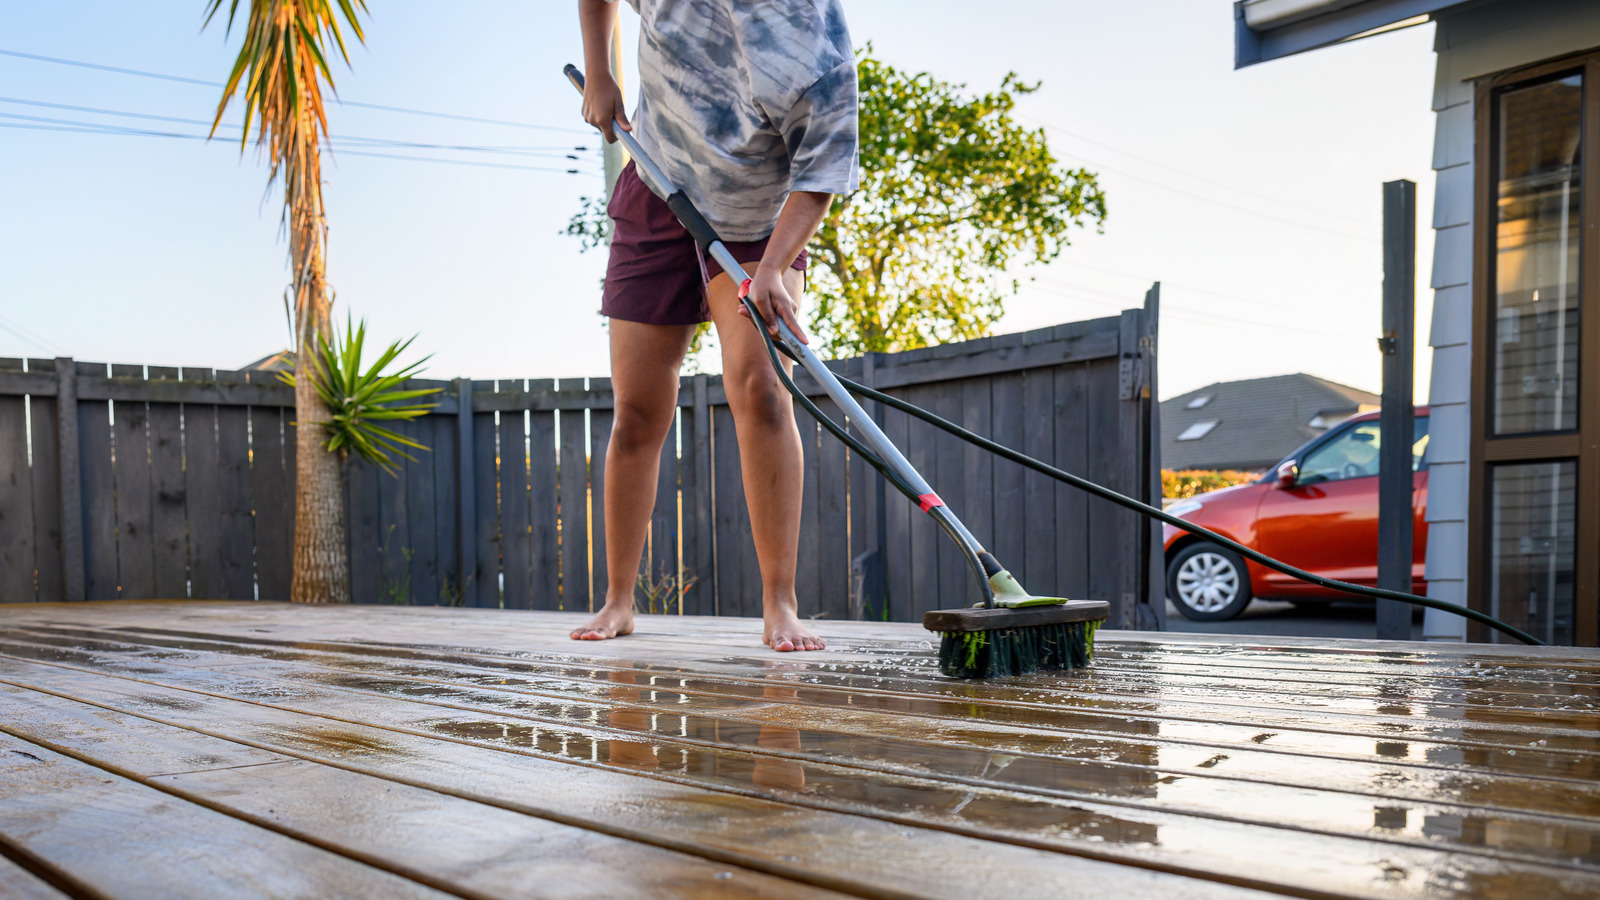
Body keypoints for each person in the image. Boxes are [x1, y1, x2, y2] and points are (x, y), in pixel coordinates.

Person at [571, 0, 859, 651]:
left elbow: (821, 174)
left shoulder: (820, 41)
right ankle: (619, 600)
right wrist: (600, 72)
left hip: (759, 218)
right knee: (638, 410)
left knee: (761, 388)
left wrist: (777, 270)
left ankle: (780, 604)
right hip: (657, 181)